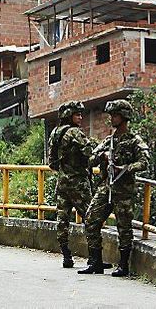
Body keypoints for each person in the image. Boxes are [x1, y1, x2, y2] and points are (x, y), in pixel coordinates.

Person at [78, 100, 150, 278]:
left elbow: (144, 162)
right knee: (90, 219)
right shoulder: (109, 141)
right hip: (106, 187)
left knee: (123, 227)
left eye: (115, 115)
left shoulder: (134, 141)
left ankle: (123, 265)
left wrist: (125, 168)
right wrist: (101, 156)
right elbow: (90, 159)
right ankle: (95, 261)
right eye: (111, 115)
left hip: (123, 190)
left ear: (124, 117)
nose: (112, 119)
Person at [48, 100, 95, 268]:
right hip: (78, 183)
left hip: (62, 182)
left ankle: (66, 255)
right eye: (77, 114)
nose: (80, 117)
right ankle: (94, 257)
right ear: (69, 116)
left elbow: (51, 162)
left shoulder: (55, 133)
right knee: (91, 217)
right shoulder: (75, 132)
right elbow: (90, 153)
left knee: (62, 219)